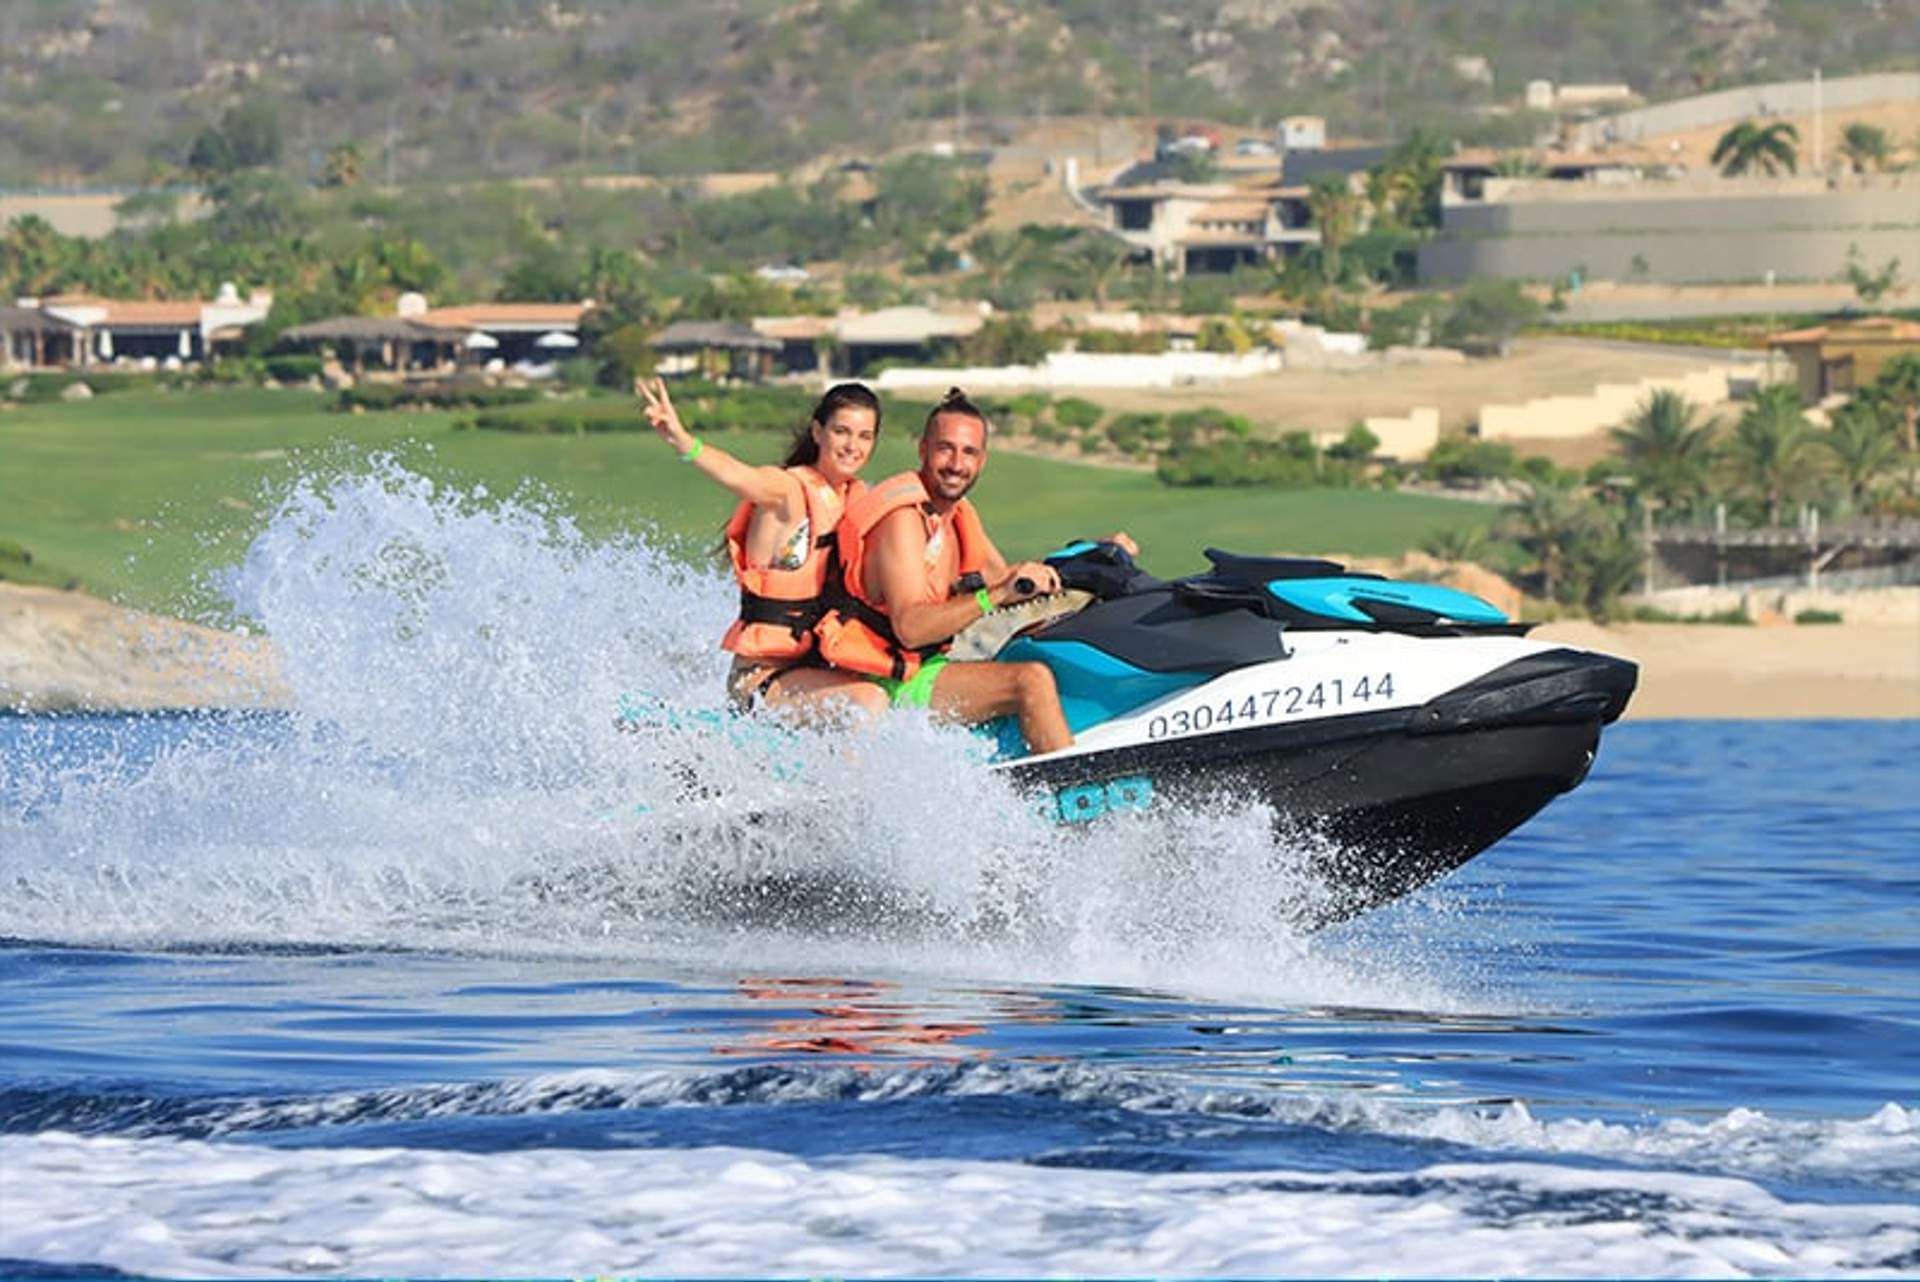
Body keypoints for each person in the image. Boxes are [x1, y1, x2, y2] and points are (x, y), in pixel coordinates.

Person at [816, 387, 1135, 755]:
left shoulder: (958, 516)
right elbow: (911, 627)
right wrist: (994, 595)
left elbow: (1018, 581)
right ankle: (1080, 799)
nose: (956, 463)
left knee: (1051, 653)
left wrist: (1100, 554)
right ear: (923, 450)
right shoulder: (902, 520)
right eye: (945, 448)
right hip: (885, 680)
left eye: (968, 452)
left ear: (982, 460)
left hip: (923, 668)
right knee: (1030, 681)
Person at [637, 376, 890, 721]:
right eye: (841, 431)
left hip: (815, 671)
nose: (852, 446)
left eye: (865, 436)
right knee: (867, 702)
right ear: (818, 432)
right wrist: (684, 442)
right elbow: (738, 475)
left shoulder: (855, 501)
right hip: (760, 681)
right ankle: (845, 778)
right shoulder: (786, 490)